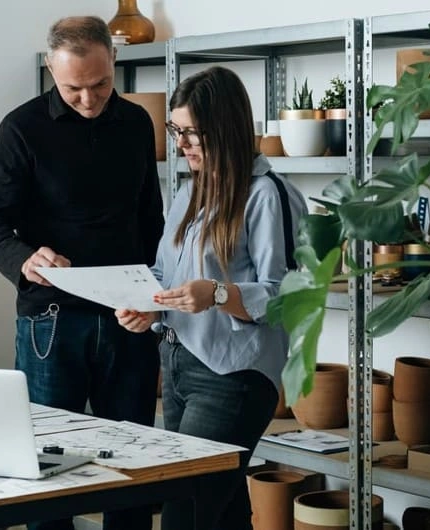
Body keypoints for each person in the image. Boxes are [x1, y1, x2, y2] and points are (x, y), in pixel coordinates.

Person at [0, 15, 164, 530]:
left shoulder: (136, 123)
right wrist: (24, 259)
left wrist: (153, 300)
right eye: (73, 87)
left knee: (132, 468)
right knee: (46, 470)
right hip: (49, 322)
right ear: (52, 74)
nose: (88, 98)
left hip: (128, 318)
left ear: (114, 62)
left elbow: (152, 221)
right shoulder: (21, 128)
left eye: (100, 84)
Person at [115, 66, 307, 530]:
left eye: (193, 134)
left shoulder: (267, 195)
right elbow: (165, 272)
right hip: (178, 364)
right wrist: (149, 305)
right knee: (220, 511)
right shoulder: (189, 192)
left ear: (225, 129)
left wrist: (219, 293)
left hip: (233, 376)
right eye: (176, 131)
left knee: (185, 510)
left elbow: (286, 297)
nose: (181, 146)